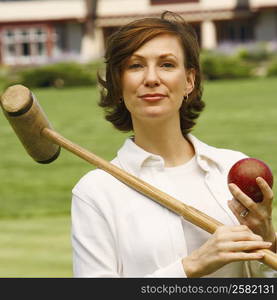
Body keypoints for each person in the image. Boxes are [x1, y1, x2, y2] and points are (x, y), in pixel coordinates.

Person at [71, 11, 277, 277]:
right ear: (119, 84)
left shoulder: (231, 168)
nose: (152, 78)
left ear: (189, 81)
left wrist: (268, 240)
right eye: (135, 65)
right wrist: (190, 267)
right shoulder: (96, 192)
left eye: (167, 64)